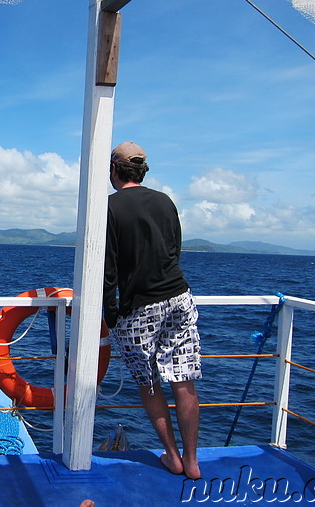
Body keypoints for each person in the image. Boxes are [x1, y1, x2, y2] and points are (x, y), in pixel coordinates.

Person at [103, 142, 202, 479]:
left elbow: (108, 269)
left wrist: (110, 312)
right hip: (179, 297)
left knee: (149, 384)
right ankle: (192, 462)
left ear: (114, 170)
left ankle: (172, 457)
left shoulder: (111, 208)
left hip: (140, 308)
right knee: (183, 381)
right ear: (141, 171)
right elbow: (174, 249)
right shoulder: (165, 201)